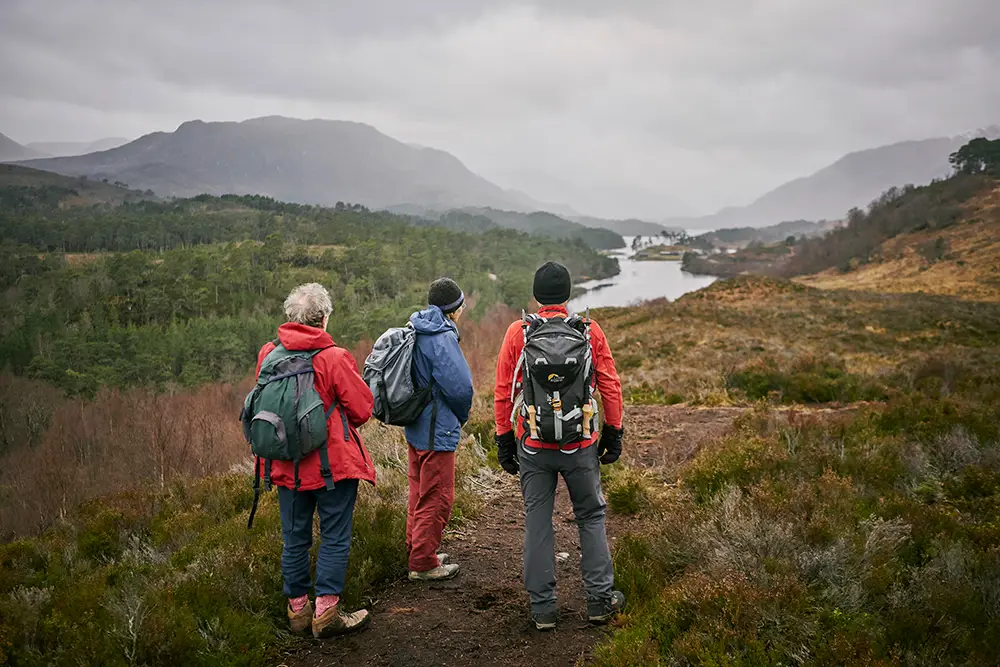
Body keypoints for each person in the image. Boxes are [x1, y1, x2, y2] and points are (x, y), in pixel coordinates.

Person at [493, 261, 626, 631]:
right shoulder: (589, 330)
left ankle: (543, 609)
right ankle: (600, 601)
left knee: (538, 519)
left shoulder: (518, 333)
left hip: (533, 443)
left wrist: (505, 438)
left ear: (537, 296)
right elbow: (610, 383)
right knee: (591, 516)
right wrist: (613, 432)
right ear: (568, 295)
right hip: (580, 443)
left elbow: (504, 390)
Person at [254, 283, 375, 638]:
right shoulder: (334, 357)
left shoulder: (268, 353)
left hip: (285, 464)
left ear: (291, 318)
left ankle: (297, 612)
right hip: (331, 467)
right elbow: (362, 409)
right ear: (323, 318)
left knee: (294, 537)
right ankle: (327, 613)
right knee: (335, 535)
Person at [404, 278, 475, 582]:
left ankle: (418, 549)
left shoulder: (417, 328)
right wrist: (462, 417)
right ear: (454, 309)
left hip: (416, 425)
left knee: (420, 492)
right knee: (438, 496)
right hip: (437, 430)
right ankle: (422, 562)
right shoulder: (441, 337)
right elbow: (460, 388)